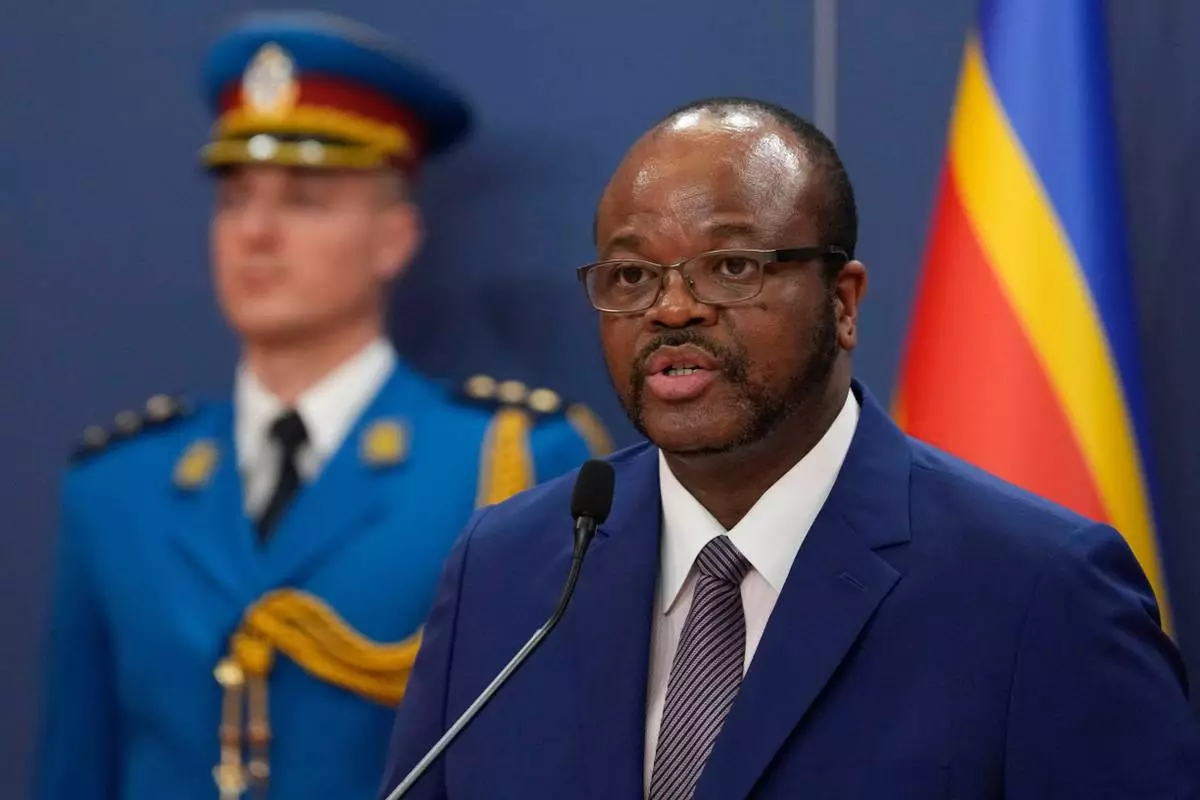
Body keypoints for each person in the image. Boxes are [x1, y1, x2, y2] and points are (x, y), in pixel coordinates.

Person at [378, 97, 1200, 799]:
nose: (671, 309)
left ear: (842, 302)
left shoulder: (1039, 590)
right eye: (630, 277)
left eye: (731, 266)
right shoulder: (507, 572)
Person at [33, 11, 610, 800]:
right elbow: (75, 770)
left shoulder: (507, 464)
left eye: (304, 200)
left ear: (393, 238)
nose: (256, 233)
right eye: (234, 198)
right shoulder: (117, 486)